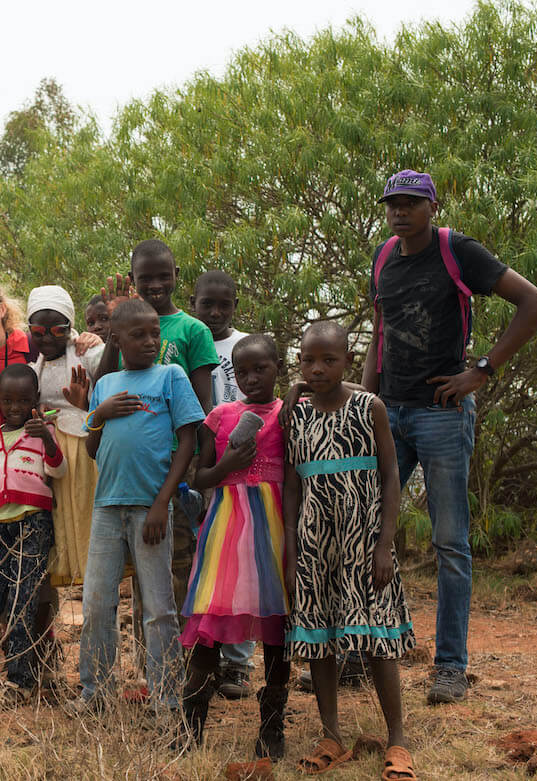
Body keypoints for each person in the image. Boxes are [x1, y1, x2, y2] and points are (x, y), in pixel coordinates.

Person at [363, 170, 537, 705]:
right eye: (393, 204)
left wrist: (482, 371)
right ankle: (361, 649)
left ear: (432, 206)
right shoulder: (383, 258)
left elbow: (536, 304)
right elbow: (381, 334)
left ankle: (449, 666)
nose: (401, 212)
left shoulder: (457, 250)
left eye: (411, 203)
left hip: (442, 413)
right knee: (366, 530)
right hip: (390, 413)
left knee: (450, 543)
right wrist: (366, 405)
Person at [285, 321, 415, 779]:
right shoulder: (295, 414)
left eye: (329, 360)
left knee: (376, 633)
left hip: (364, 539)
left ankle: (397, 737)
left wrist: (385, 543)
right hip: (314, 541)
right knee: (319, 636)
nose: (317, 368)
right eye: (307, 360)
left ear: (348, 362)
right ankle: (331, 733)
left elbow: (391, 476)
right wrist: (292, 550)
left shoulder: (368, 406)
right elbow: (292, 489)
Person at [97, 240, 219, 702]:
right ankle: (154, 679)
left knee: (177, 578)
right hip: (128, 479)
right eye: (144, 277)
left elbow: (203, 409)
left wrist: (199, 475)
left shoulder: (192, 330)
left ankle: (188, 678)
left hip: (175, 474)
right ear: (132, 276)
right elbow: (107, 382)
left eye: (162, 275)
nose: (154, 284)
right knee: (143, 588)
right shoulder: (125, 324)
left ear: (176, 274)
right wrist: (113, 328)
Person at [73, 299, 205, 714]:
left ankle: (167, 698)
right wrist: (99, 413)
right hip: (107, 507)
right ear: (117, 338)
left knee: (158, 608)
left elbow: (188, 440)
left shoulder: (171, 376)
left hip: (151, 507)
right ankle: (95, 692)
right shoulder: (107, 384)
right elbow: (94, 448)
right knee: (96, 603)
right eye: (139, 335)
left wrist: (161, 502)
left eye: (154, 333)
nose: (150, 341)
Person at [180, 334, 290, 756]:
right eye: (241, 371)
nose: (250, 378)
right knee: (212, 621)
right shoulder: (221, 416)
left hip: (276, 530)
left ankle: (272, 726)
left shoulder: (288, 414)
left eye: (260, 369)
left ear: (278, 367)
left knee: (277, 626)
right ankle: (191, 726)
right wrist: (228, 465)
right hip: (226, 530)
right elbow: (199, 477)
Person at [0, 365, 66, 704]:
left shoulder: (44, 430)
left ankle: (18, 683)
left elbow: (57, 469)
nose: (15, 407)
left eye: (23, 400)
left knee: (23, 603)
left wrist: (47, 437)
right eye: (8, 400)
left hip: (33, 524)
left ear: (35, 399)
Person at [189, 270, 254, 699]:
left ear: (235, 304)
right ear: (193, 303)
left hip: (243, 469)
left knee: (242, 567)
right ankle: (204, 660)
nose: (214, 313)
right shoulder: (190, 338)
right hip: (199, 464)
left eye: (223, 305)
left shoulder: (246, 345)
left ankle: (239, 663)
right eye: (206, 304)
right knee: (205, 568)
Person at [26, 285, 105, 588]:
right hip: (54, 457)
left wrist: (104, 341)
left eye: (57, 330)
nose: (47, 338)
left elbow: (116, 375)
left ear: (71, 327)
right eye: (38, 330)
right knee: (63, 526)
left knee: (88, 520)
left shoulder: (89, 352)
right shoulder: (36, 367)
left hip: (87, 453)